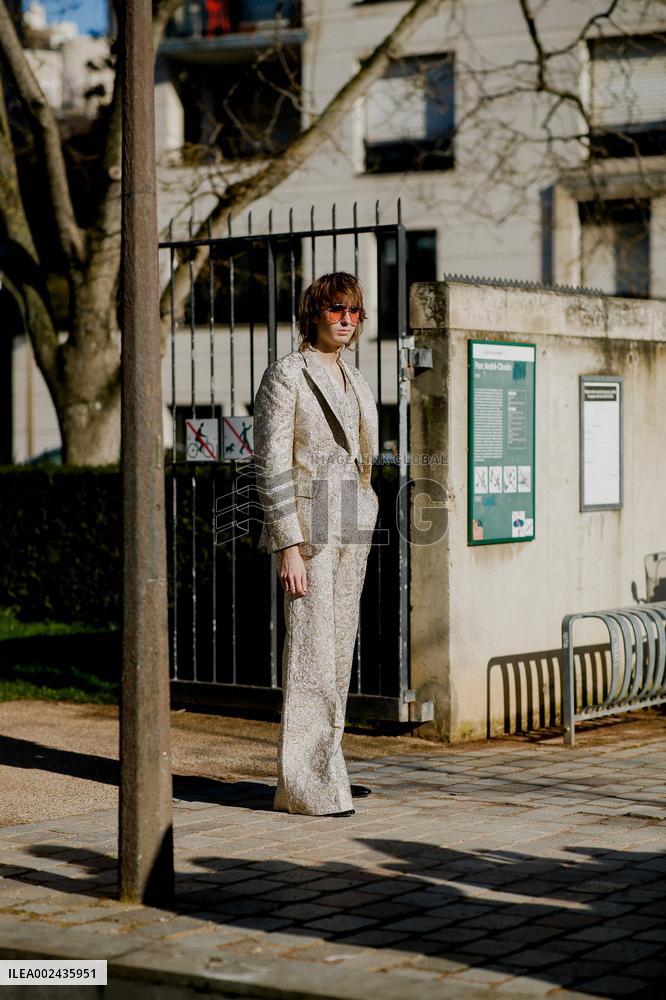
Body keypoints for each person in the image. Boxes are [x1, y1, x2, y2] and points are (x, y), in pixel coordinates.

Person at [253, 272, 379, 817]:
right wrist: (288, 545)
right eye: (337, 310)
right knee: (309, 656)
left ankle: (328, 769)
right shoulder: (287, 375)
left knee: (338, 653)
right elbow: (272, 463)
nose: (347, 320)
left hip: (355, 526)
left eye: (353, 311)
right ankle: (304, 785)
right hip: (309, 531)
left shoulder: (356, 379)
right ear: (315, 314)